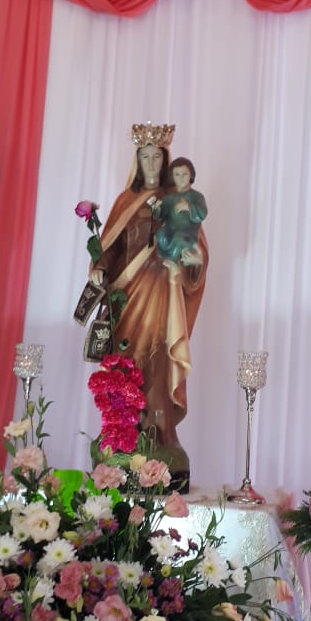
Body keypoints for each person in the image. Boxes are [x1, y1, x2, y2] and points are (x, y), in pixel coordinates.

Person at [88, 125, 208, 487]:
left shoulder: (179, 201)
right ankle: (121, 433)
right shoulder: (125, 201)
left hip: (161, 292)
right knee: (125, 360)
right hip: (127, 296)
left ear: (166, 161)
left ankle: (159, 436)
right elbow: (109, 247)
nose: (152, 163)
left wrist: (193, 261)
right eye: (146, 157)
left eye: (158, 156)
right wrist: (99, 268)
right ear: (137, 162)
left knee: (158, 359)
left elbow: (196, 248)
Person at [153, 157, 207, 267]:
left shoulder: (197, 196)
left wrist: (188, 207)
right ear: (172, 177)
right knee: (161, 234)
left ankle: (173, 260)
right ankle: (167, 255)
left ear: (191, 175)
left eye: (184, 174)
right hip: (170, 232)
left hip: (188, 234)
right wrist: (157, 209)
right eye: (177, 175)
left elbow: (202, 213)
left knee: (179, 238)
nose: (181, 178)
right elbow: (161, 216)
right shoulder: (169, 198)